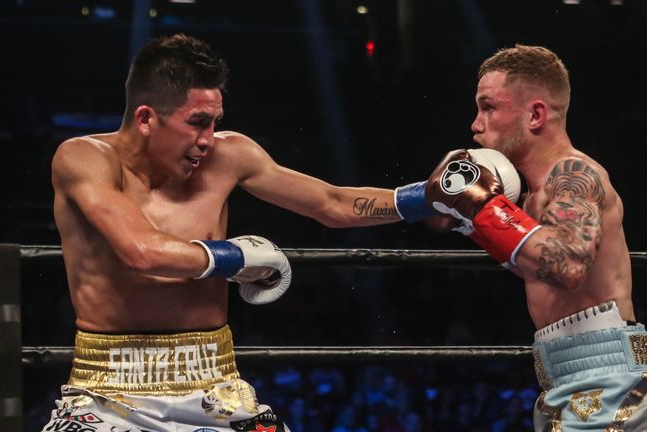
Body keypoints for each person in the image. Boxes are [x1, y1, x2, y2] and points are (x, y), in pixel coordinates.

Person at [42, 33, 437, 432]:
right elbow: (141, 251)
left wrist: (432, 197)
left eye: (214, 123)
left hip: (216, 386)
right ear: (145, 118)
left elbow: (332, 204)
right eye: (197, 123)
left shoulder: (230, 155)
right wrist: (239, 257)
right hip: (109, 391)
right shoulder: (84, 158)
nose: (207, 140)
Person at [421, 45, 647, 430]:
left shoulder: (576, 174)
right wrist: (462, 215)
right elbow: (538, 267)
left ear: (535, 114)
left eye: (488, 107)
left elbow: (567, 265)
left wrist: (482, 207)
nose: (476, 124)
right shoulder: (533, 198)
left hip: (609, 384)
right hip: (562, 380)